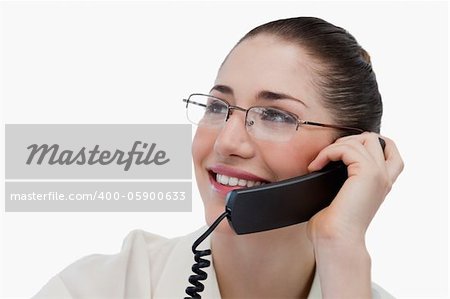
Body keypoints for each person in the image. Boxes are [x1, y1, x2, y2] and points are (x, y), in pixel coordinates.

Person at [33, 16, 404, 299]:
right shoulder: (99, 288)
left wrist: (341, 249)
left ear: (348, 158)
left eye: (276, 115)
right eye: (217, 106)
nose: (227, 142)